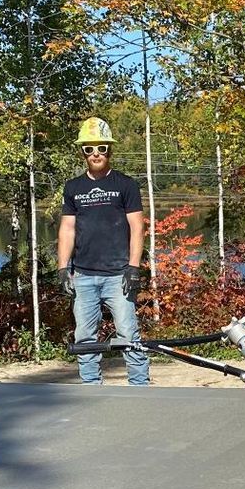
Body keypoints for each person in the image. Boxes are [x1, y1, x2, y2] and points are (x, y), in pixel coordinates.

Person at [57, 117, 150, 386]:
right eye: (89, 149)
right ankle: (91, 390)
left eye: (101, 148)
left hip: (118, 275)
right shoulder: (73, 187)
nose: (95, 154)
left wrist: (134, 267)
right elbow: (67, 229)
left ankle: (140, 389)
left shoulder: (125, 185)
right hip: (83, 276)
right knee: (84, 337)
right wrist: (62, 268)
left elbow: (137, 227)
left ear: (109, 150)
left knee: (128, 335)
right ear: (83, 152)